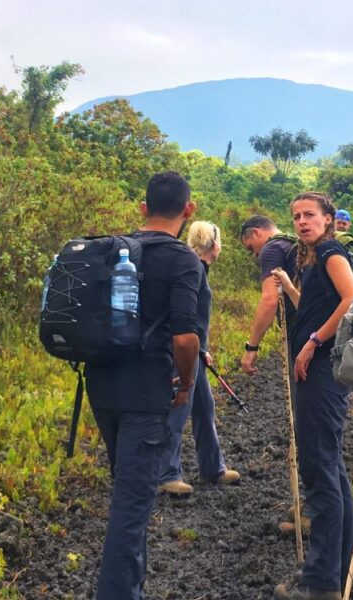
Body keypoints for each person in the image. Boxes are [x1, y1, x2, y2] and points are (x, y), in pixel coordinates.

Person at [85, 171, 203, 599]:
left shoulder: (111, 250)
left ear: (142, 208)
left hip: (102, 384)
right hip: (147, 392)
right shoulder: (183, 259)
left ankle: (130, 588)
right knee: (131, 508)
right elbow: (185, 337)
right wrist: (186, 385)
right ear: (189, 210)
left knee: (128, 489)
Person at [270, 193, 353, 600]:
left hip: (323, 371)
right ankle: (337, 573)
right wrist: (291, 288)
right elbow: (314, 307)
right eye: (296, 217)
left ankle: (322, 581)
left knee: (319, 468)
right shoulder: (311, 259)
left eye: (310, 215)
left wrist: (312, 341)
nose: (302, 222)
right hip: (319, 370)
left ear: (328, 219)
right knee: (329, 465)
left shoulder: (330, 252)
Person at [158, 221, 240, 495]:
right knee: (178, 410)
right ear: (214, 245)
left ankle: (212, 467)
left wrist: (202, 349)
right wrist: (195, 349)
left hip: (195, 351)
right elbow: (187, 318)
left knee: (204, 408)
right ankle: (166, 474)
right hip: (184, 352)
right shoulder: (192, 269)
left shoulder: (195, 267)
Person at [237, 215, 298, 375]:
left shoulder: (272, 248)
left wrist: (252, 347)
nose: (255, 254)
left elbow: (269, 299)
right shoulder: (293, 242)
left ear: (256, 232)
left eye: (251, 248)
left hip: (299, 329)